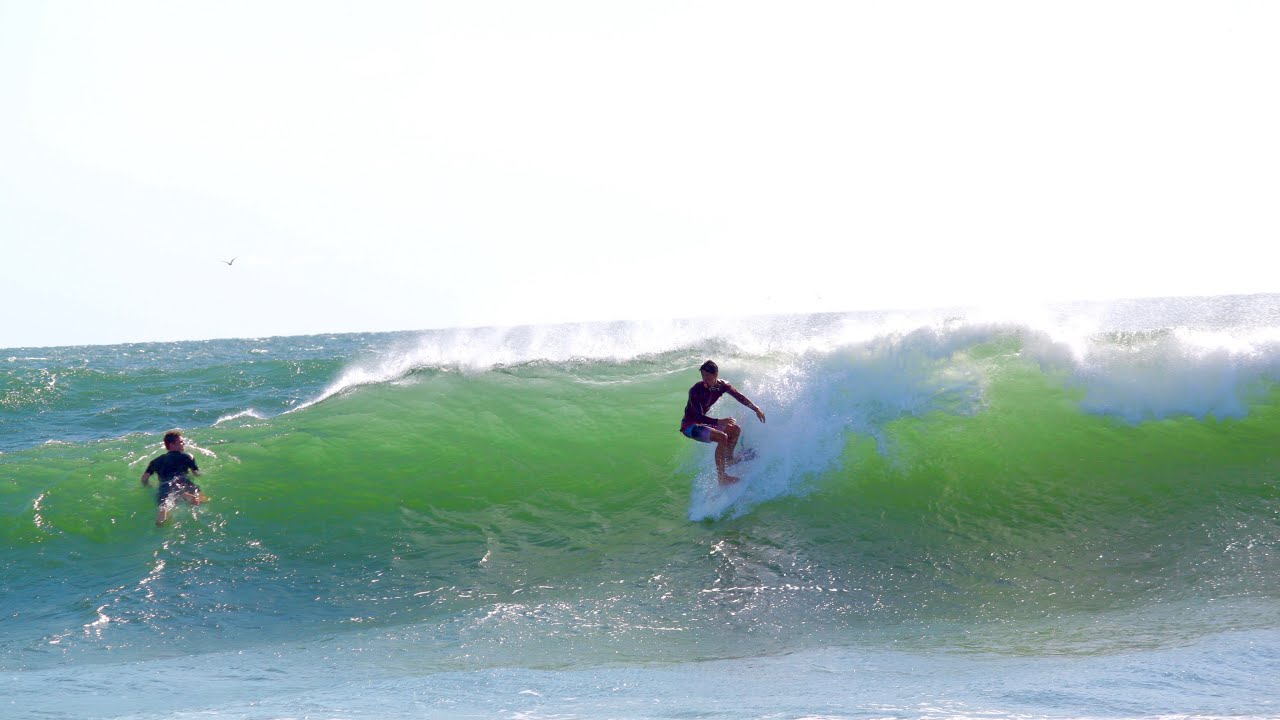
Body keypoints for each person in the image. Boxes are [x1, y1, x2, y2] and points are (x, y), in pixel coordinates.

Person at [681, 360, 766, 485]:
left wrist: (756, 409)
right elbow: (698, 417)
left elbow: (739, 397)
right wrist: (719, 421)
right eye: (703, 376)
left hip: (702, 423)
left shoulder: (722, 385)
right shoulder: (696, 390)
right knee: (722, 437)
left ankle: (729, 459)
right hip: (690, 426)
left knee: (735, 430)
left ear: (716, 374)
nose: (705, 379)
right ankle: (722, 477)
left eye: (708, 376)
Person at [140, 430, 207, 526]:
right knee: (203, 500)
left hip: (164, 485)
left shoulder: (155, 461)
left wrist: (149, 486)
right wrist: (202, 473)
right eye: (180, 442)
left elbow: (144, 479)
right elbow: (196, 473)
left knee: (164, 507)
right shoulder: (187, 456)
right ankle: (184, 495)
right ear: (172, 445)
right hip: (181, 481)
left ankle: (161, 518)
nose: (183, 443)